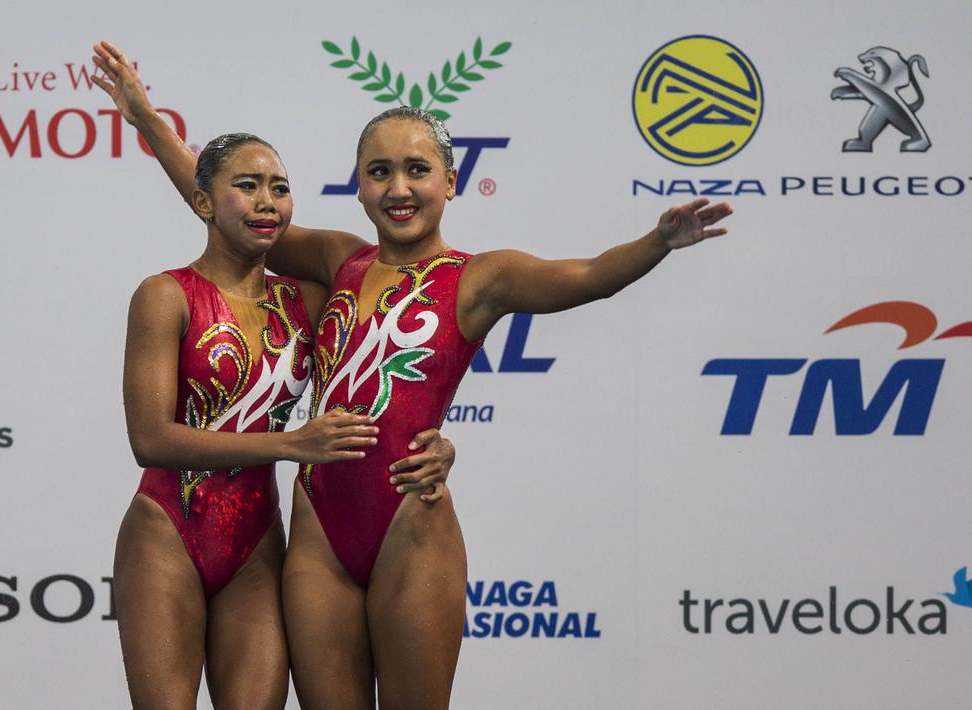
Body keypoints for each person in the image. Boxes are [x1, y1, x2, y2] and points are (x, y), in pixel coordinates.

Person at [95, 40, 731, 710]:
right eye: (378, 172)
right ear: (359, 185)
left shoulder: (479, 278)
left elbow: (586, 279)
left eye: (416, 170)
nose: (398, 188)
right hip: (315, 537)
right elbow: (225, 202)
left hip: (409, 521)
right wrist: (146, 121)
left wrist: (656, 243)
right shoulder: (337, 260)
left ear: (450, 182)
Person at [115, 129, 456, 710]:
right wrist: (289, 443)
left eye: (279, 188)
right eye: (247, 187)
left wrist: (436, 444)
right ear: (203, 203)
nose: (266, 202)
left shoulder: (311, 300)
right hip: (165, 531)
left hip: (256, 545)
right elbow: (149, 440)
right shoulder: (165, 295)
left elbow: (392, 372)